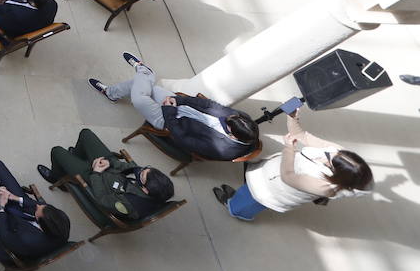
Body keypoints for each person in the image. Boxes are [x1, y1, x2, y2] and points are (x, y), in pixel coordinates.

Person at [90, 51, 260, 161]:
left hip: (170, 122)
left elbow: (182, 138)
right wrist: (178, 101)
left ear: (232, 135)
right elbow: (208, 105)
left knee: (140, 98)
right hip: (179, 106)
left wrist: (169, 110)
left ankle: (144, 72)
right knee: (146, 87)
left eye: (226, 123)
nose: (225, 118)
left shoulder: (224, 149)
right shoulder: (241, 119)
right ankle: (116, 90)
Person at [213, 109, 372, 220]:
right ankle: (236, 198)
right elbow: (301, 135)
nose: (328, 151)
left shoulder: (326, 187)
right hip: (270, 174)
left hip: (273, 191)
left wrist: (289, 148)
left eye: (329, 158)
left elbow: (288, 177)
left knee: (252, 201)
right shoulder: (337, 153)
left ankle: (234, 209)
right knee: (248, 191)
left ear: (337, 173)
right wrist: (292, 117)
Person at [40, 128, 175, 223]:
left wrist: (96, 173)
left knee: (57, 151)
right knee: (86, 134)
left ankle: (57, 177)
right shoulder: (149, 179)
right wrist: (109, 162)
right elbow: (132, 168)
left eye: (142, 175)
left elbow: (102, 199)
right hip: (109, 168)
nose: (141, 171)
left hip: (95, 180)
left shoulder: (130, 204)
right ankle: (77, 157)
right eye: (145, 170)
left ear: (145, 190)